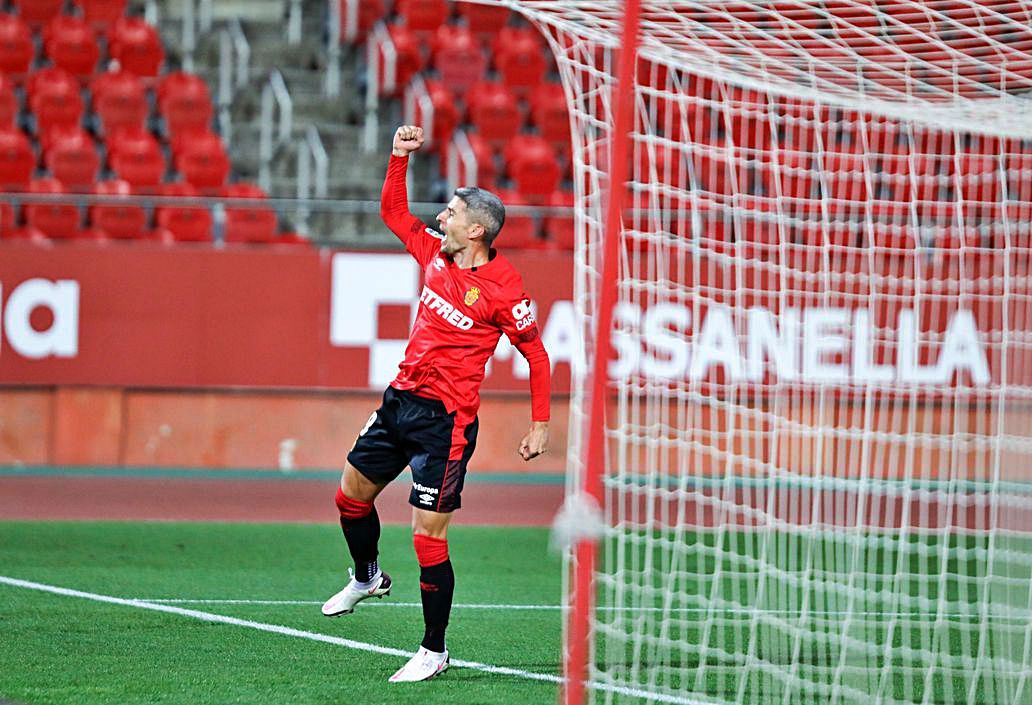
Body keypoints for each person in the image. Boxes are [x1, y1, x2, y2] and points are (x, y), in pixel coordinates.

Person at [321, 125, 552, 682]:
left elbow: (537, 355)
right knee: (349, 498)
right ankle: (367, 575)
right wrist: (398, 157)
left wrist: (540, 425)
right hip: (400, 402)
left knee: (428, 536)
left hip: (445, 425)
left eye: (450, 213)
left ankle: (433, 648)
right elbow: (393, 214)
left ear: (477, 230)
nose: (439, 218)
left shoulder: (504, 289)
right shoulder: (435, 253)